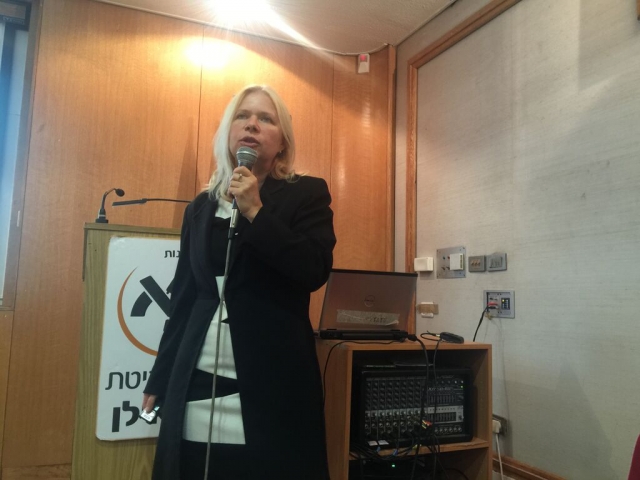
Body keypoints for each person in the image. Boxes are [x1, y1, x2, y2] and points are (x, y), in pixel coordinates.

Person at [142, 84, 336, 480]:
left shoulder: (306, 194)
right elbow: (184, 298)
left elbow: (313, 269)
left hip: (272, 381)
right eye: (243, 116)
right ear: (228, 132)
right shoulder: (200, 207)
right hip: (196, 376)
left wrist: (256, 212)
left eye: (266, 119)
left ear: (282, 142)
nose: (252, 125)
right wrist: (159, 378)